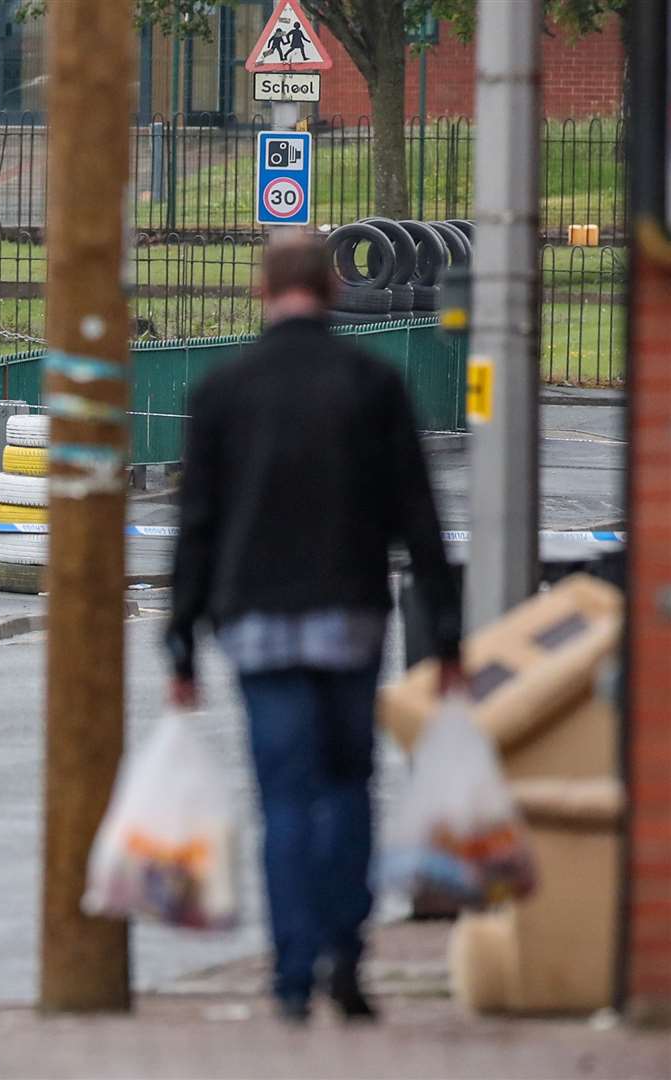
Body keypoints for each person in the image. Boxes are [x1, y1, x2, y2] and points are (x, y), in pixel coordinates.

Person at [165, 233, 464, 1024]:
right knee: (347, 786)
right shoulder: (372, 384)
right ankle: (347, 954)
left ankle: (291, 973)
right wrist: (448, 633)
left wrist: (179, 639)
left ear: (264, 294)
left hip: (257, 623)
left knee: (284, 799)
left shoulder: (222, 392)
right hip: (350, 618)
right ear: (330, 294)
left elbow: (196, 525)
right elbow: (418, 518)